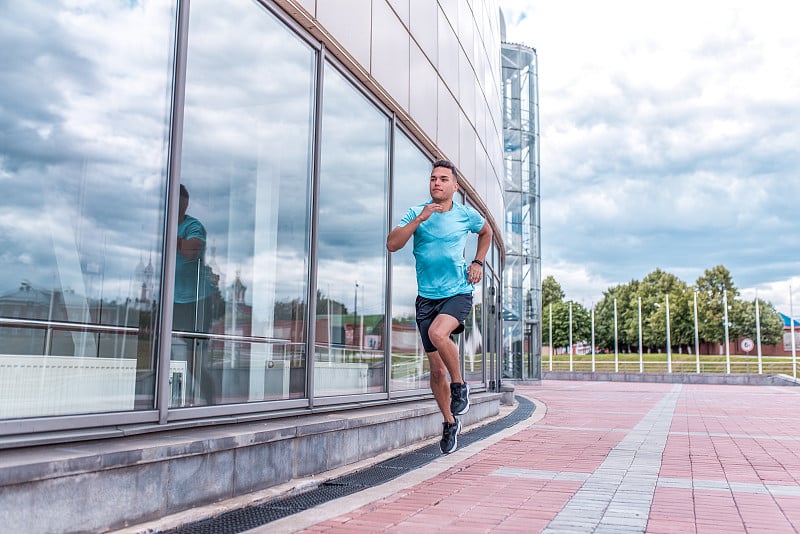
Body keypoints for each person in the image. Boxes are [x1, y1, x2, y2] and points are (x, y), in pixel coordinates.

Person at [386, 159, 492, 454]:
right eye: (433, 178)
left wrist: (478, 261)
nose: (437, 183)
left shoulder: (465, 215)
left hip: (457, 291)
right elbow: (392, 244)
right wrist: (419, 219)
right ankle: (449, 421)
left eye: (444, 179)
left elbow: (487, 233)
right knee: (435, 372)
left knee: (438, 333)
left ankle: (460, 386)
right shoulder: (416, 213)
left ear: (455, 187)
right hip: (426, 298)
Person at [173, 184, 215, 405]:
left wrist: (171, 237)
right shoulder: (165, 224)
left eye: (180, 201)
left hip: (196, 302)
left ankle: (210, 403)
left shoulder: (193, 226)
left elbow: (192, 250)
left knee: (194, 363)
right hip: (172, 300)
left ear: (185, 203)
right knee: (157, 348)